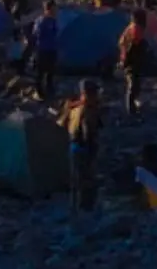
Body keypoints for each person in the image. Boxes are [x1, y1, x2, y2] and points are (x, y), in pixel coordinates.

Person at [65, 79, 102, 214]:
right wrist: (92, 149)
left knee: (75, 181)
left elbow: (64, 125)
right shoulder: (88, 110)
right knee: (86, 180)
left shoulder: (74, 108)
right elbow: (89, 132)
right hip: (84, 149)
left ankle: (74, 207)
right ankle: (85, 210)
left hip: (73, 146)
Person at [119, 8, 150, 116]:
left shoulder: (131, 28)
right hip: (132, 62)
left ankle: (133, 107)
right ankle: (131, 109)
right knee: (133, 85)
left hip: (129, 61)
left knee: (135, 84)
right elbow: (133, 46)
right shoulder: (136, 29)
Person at [31, 0, 59, 100]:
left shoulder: (53, 20)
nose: (55, 11)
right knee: (40, 72)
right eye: (53, 8)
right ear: (48, 9)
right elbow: (36, 34)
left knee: (51, 71)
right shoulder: (41, 21)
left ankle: (50, 89)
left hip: (52, 49)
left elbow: (55, 33)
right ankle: (39, 92)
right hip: (42, 49)